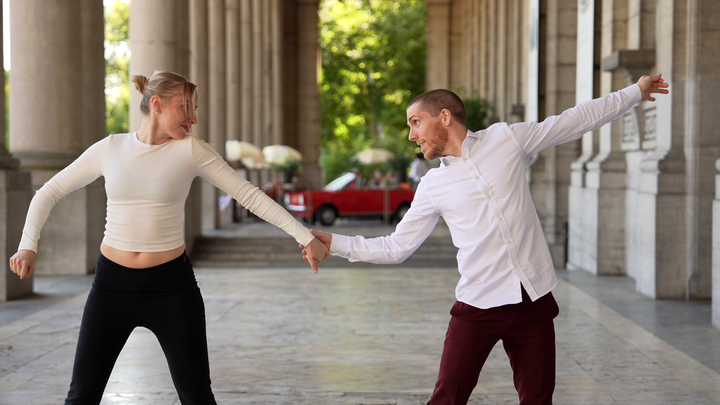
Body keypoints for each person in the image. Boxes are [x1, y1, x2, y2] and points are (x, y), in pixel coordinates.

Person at [303, 74, 669, 405]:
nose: (411, 135)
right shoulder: (432, 185)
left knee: (539, 401)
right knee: (447, 399)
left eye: (416, 123)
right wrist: (333, 243)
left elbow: (573, 121)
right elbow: (396, 247)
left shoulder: (505, 139)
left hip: (533, 300)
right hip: (477, 305)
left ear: (444, 117)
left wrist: (634, 93)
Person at [9, 71, 329, 405]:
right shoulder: (111, 148)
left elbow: (249, 195)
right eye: (186, 107)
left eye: (195, 108)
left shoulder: (191, 151)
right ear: (157, 105)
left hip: (172, 289)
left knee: (197, 398)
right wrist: (27, 245)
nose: (194, 118)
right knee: (81, 397)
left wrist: (304, 236)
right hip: (111, 288)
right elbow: (48, 192)